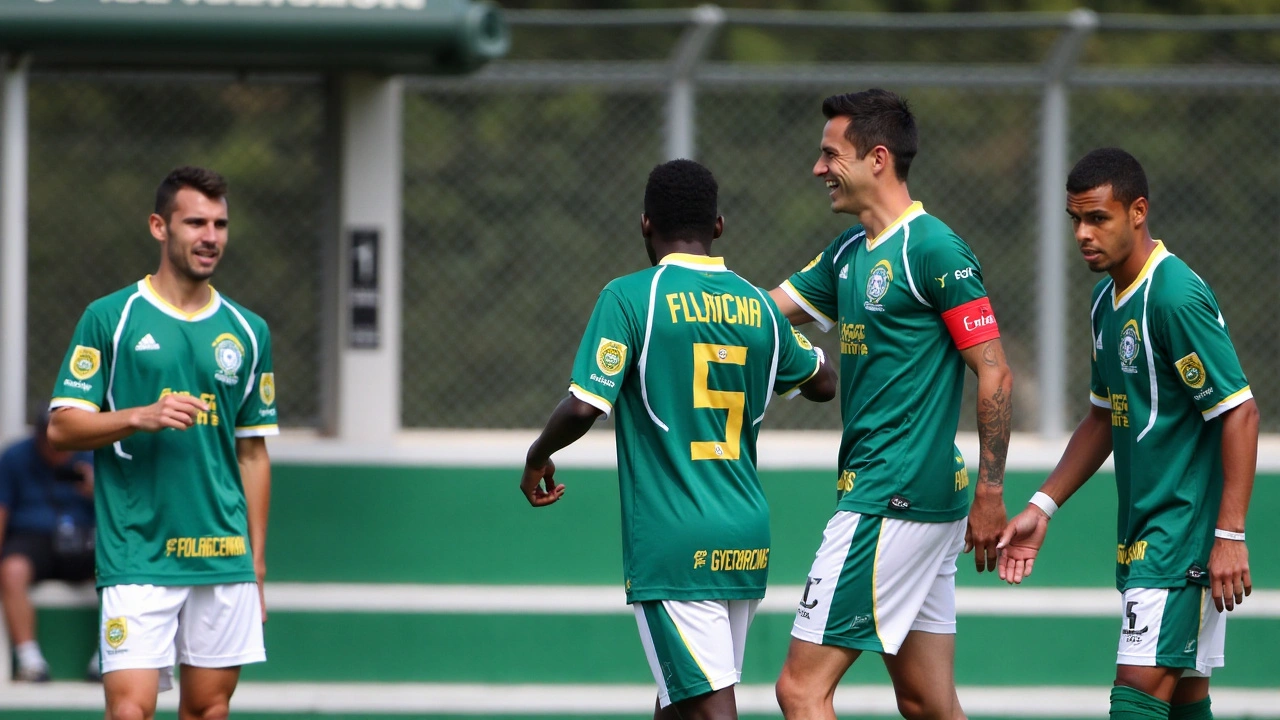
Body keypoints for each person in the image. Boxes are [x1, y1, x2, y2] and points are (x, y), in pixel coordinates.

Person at [520, 159, 837, 720]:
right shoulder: (760, 307)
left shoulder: (628, 299)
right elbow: (824, 383)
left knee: (711, 710)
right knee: (681, 702)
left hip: (675, 548)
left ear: (645, 223)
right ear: (719, 225)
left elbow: (583, 405)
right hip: (744, 537)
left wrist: (537, 455)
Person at [767, 89, 1014, 720]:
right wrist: (689, 299)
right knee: (927, 702)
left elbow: (994, 373)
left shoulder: (933, 249)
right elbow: (761, 314)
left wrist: (992, 493)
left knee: (801, 689)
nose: (818, 169)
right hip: (918, 501)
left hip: (891, 495)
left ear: (877, 158)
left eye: (830, 155)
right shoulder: (849, 252)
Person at [998, 148, 1257, 720]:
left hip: (1181, 534)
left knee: (1135, 695)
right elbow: (1102, 418)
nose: (1083, 234)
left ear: (1138, 211)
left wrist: (1229, 535)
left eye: (1098, 218)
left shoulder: (1173, 295)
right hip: (1145, 534)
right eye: (1076, 220)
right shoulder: (1103, 302)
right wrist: (1043, 505)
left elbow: (1239, 412)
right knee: (1184, 697)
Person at [47, 166, 277, 720]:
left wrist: (258, 565)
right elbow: (62, 429)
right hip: (137, 553)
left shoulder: (249, 332)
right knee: (130, 711)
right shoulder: (110, 317)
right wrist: (138, 417)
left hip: (224, 558)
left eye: (220, 224)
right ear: (159, 226)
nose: (211, 236)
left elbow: (252, 452)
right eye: (195, 221)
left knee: (208, 710)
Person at [0, 411, 96, 682]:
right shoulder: (15, 457)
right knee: (12, 570)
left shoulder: (92, 457)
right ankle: (31, 662)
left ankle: (105, 658)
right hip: (33, 540)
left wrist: (96, 491)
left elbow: (123, 515)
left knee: (117, 569)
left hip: (84, 540)